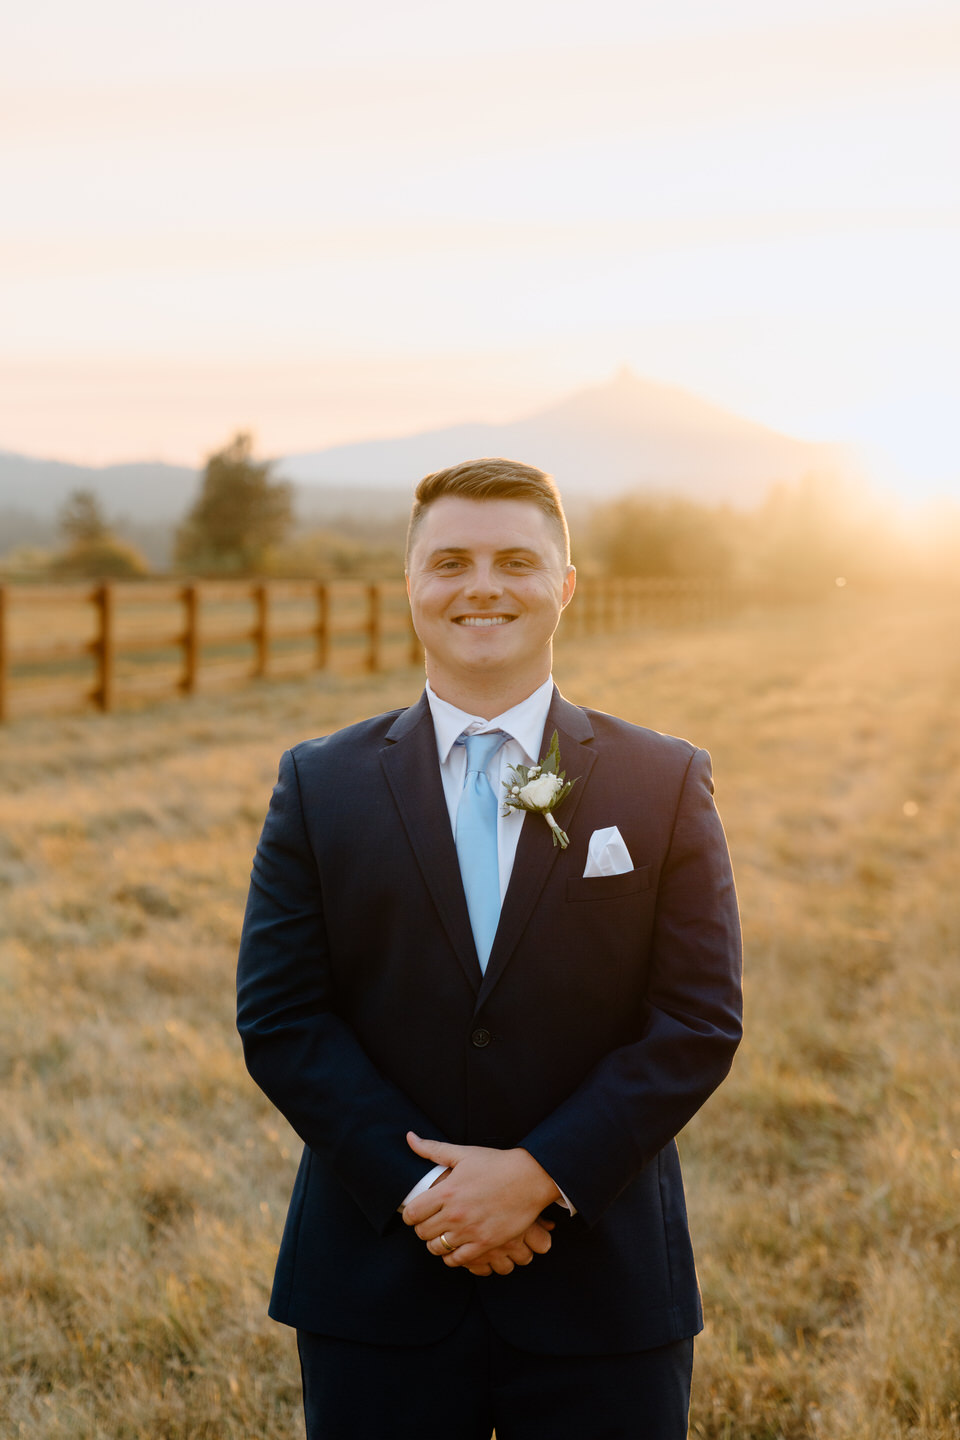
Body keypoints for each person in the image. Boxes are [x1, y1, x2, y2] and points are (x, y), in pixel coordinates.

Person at [236, 457, 742, 1440]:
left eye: (516, 560)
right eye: (451, 561)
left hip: (601, 1280)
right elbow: (284, 1018)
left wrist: (538, 1175)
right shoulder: (319, 783)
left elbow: (696, 1020)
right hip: (379, 1279)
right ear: (411, 585)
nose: (482, 587)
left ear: (565, 585)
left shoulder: (664, 780)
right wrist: (428, 1190)